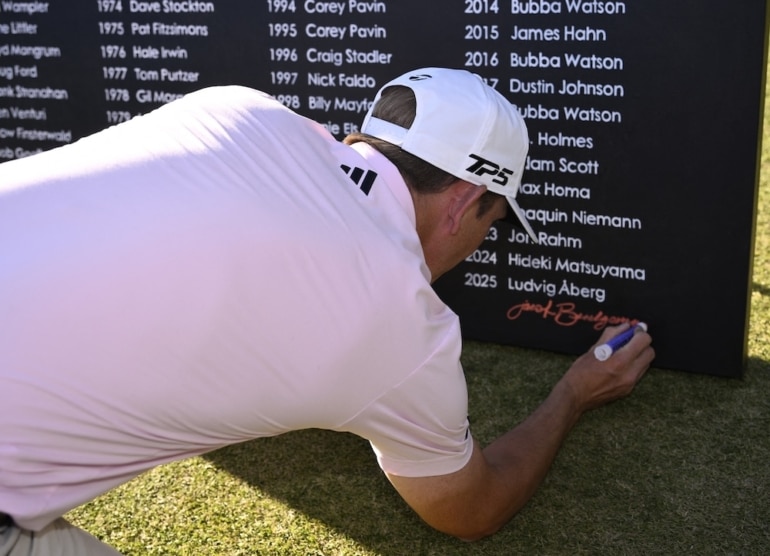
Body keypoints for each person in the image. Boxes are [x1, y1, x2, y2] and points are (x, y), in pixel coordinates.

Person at [0, 67, 654, 554]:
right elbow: (470, 510)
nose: (483, 240)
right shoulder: (402, 324)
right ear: (463, 202)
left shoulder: (235, 107)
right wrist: (574, 394)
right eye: (494, 221)